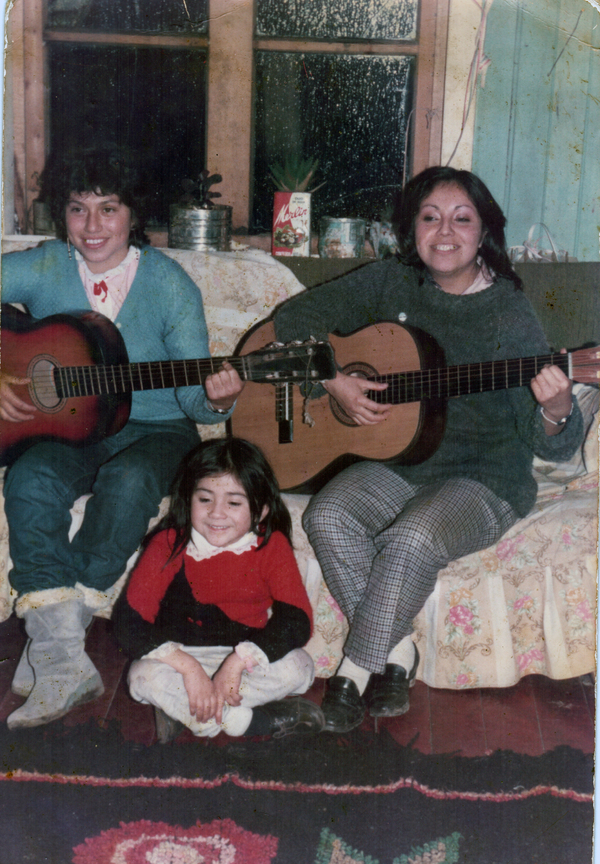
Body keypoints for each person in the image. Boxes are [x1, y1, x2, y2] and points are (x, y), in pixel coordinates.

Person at [273, 166, 584, 734]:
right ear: (411, 228)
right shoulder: (393, 281)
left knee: (413, 537)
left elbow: (553, 446)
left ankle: (352, 671)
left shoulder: (508, 315)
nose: (445, 232)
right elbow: (295, 317)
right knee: (329, 513)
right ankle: (398, 652)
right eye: (430, 217)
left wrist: (558, 408)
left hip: (484, 478)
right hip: (402, 462)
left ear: (484, 231)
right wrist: (332, 378)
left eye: (462, 219)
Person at [0, 146, 244, 730]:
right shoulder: (42, 267)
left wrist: (219, 396)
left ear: (135, 216)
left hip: (159, 429)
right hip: (72, 428)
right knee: (31, 476)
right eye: (78, 210)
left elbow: (192, 397)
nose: (92, 227)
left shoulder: (169, 285)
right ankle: (63, 660)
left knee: (129, 480)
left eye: (108, 210)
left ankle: (55, 644)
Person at [113, 438, 324, 741]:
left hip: (244, 658)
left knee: (299, 666)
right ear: (189, 499)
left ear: (261, 510)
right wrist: (189, 669)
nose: (217, 513)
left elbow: (297, 619)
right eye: (205, 499)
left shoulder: (270, 545)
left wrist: (237, 663)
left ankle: (192, 714)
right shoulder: (168, 543)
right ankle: (245, 722)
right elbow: (127, 621)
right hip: (179, 655)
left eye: (234, 503)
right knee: (140, 676)